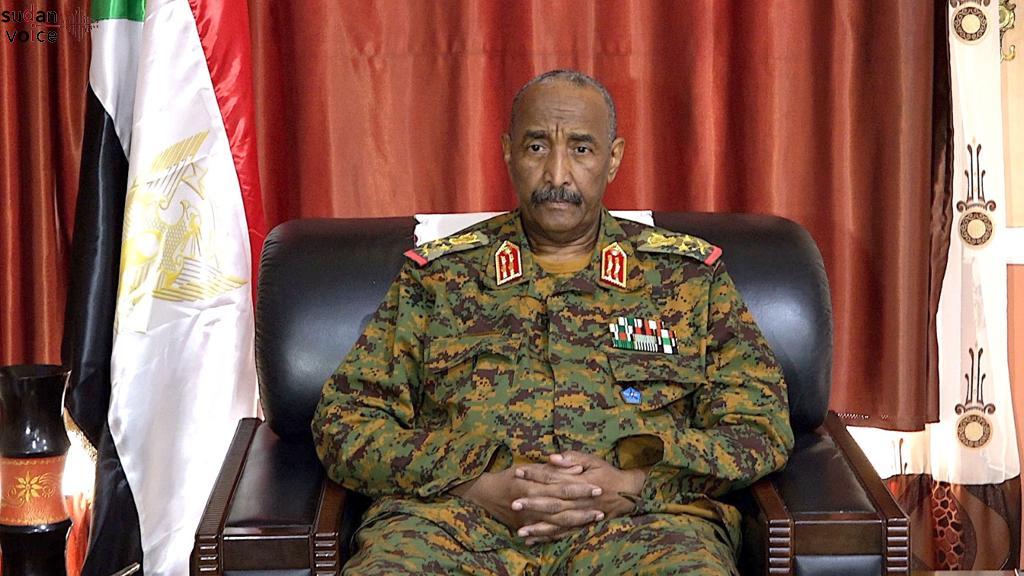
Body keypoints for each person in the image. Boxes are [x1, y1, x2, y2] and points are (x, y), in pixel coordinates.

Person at [312, 69, 794, 575]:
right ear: (508, 153)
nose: (558, 175)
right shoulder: (439, 279)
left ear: (613, 159)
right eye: (537, 147)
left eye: (581, 149)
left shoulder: (688, 278)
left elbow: (760, 427)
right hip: (452, 526)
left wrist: (636, 483)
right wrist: (470, 481)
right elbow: (344, 421)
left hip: (642, 528)